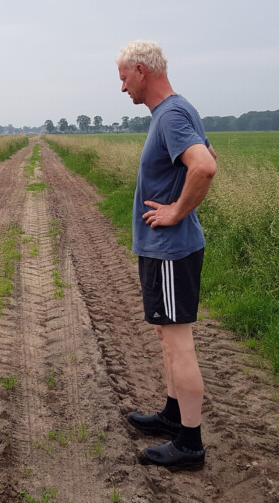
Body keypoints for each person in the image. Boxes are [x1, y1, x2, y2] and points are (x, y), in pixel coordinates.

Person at [116, 40, 217, 470]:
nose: (122, 88)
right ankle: (173, 415)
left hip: (171, 252)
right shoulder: (176, 111)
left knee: (178, 343)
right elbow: (210, 154)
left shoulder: (171, 114)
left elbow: (204, 166)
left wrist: (177, 210)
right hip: (164, 251)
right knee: (166, 337)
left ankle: (190, 444)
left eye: (123, 78)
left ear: (141, 70)